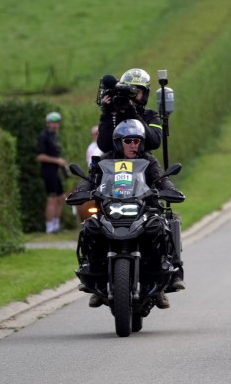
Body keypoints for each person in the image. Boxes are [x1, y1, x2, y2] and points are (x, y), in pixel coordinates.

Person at [68, 119, 184, 309]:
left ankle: (169, 279)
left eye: (137, 141)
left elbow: (161, 179)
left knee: (165, 224)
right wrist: (82, 191)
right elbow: (90, 180)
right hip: (110, 209)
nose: (133, 145)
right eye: (128, 141)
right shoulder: (105, 160)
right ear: (118, 142)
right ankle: (95, 278)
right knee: (91, 226)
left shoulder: (148, 160)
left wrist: (169, 189)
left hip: (144, 208)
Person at [97, 68, 162, 153]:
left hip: (143, 162)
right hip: (113, 162)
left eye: (136, 92)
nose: (131, 97)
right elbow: (104, 146)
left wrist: (134, 115)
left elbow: (154, 143)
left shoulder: (151, 115)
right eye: (128, 92)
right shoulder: (113, 114)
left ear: (145, 94)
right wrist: (107, 114)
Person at [37, 112, 68, 234]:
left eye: (57, 123)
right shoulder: (43, 136)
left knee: (61, 198)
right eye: (53, 122)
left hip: (55, 171)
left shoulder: (54, 136)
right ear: (48, 123)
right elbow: (40, 156)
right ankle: (49, 228)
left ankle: (56, 225)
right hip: (48, 171)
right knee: (52, 198)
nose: (55, 125)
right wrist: (57, 160)